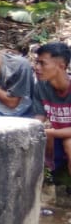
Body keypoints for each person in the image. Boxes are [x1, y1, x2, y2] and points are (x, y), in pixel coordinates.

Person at [33, 42, 71, 178]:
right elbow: (38, 118)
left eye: (43, 63)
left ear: (61, 66)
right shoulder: (40, 87)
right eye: (37, 62)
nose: (37, 67)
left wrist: (48, 132)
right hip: (57, 136)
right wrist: (36, 129)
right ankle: (50, 178)